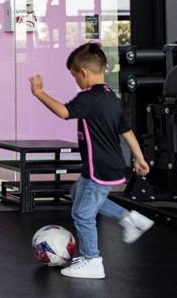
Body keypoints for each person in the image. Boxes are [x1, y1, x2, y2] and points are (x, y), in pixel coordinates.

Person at [28, 42, 154, 280]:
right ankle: (130, 219)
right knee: (78, 195)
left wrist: (39, 93)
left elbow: (64, 112)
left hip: (101, 168)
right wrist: (139, 157)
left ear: (83, 72)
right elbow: (126, 130)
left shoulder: (88, 98)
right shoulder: (110, 97)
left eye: (75, 76)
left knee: (82, 214)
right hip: (107, 166)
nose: (76, 81)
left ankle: (92, 260)